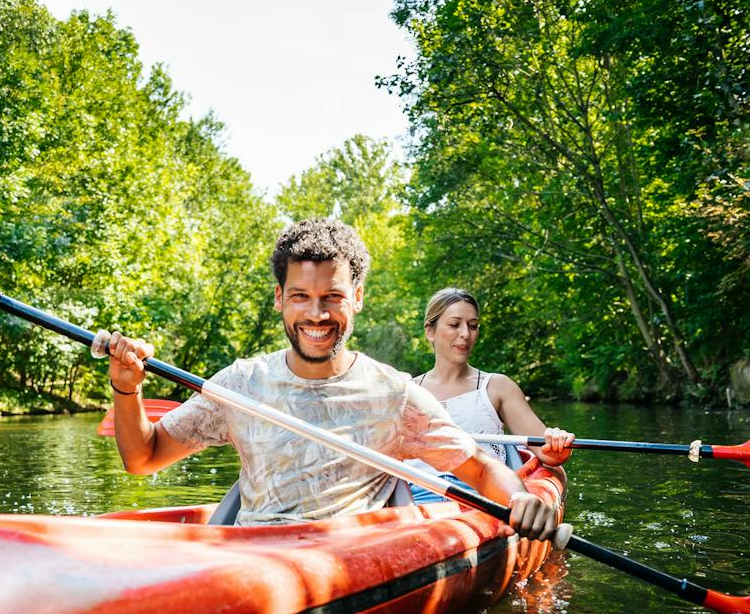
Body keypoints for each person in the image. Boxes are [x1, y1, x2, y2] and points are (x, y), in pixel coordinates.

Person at [102, 219, 560, 539]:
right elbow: (143, 457)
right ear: (280, 298)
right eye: (300, 296)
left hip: (341, 566)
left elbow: (479, 466)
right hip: (248, 560)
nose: (316, 314)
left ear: (357, 298)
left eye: (333, 297)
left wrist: (521, 499)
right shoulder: (240, 385)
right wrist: (128, 388)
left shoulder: (394, 395)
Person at [415, 287, 575, 466]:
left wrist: (558, 443)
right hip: (415, 491)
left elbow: (548, 454)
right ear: (430, 331)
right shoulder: (405, 392)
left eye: (473, 326)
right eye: (454, 325)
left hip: (479, 491)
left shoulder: (498, 387)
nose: (466, 334)